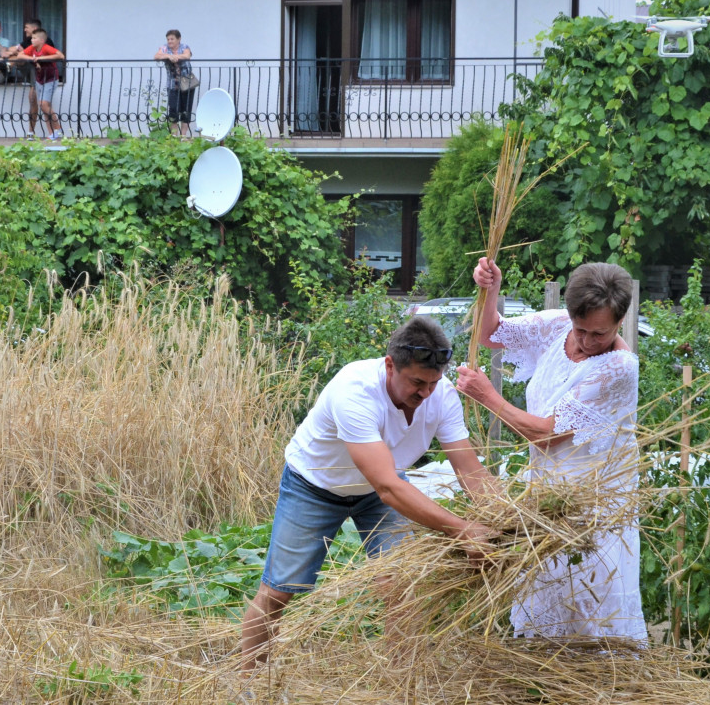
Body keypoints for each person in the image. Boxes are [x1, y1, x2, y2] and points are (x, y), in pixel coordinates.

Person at [239, 317, 498, 669]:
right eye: (417, 382)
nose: (425, 393)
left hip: (381, 487)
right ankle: (247, 681)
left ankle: (401, 681)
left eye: (433, 383)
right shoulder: (354, 388)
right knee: (279, 590)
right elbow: (389, 487)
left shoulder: (441, 395)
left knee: (401, 584)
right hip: (316, 486)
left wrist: (505, 520)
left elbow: (469, 469)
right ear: (390, 365)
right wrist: (464, 529)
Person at [455, 258, 647, 641]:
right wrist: (491, 289)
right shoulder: (557, 325)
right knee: (548, 610)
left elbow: (546, 434)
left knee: (593, 610)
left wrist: (488, 397)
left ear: (620, 323)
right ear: (571, 316)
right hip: (547, 499)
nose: (589, 342)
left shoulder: (618, 367)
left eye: (601, 334)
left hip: (594, 506)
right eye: (582, 330)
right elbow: (491, 334)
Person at [15, 28, 64, 141]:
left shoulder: (46, 48)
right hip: (40, 79)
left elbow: (60, 55)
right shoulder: (32, 48)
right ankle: (52, 133)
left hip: (50, 79)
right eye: (32, 38)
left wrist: (41, 58)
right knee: (44, 106)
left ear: (41, 40)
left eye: (34, 38)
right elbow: (20, 55)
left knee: (43, 104)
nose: (31, 40)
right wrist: (33, 59)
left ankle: (58, 129)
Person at [154, 29, 195, 136]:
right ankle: (174, 136)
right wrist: (168, 56)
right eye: (168, 39)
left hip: (187, 81)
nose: (170, 41)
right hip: (172, 83)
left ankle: (183, 136)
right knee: (173, 109)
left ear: (178, 39)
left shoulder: (184, 47)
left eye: (172, 39)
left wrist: (176, 57)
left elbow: (187, 56)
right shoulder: (164, 48)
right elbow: (157, 56)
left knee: (186, 109)